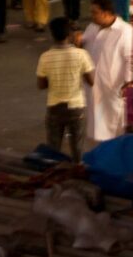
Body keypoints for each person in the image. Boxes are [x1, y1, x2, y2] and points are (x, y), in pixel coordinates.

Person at [36, 16, 95, 163]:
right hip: (76, 107)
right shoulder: (81, 55)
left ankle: (54, 175)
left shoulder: (45, 57)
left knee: (53, 149)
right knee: (77, 149)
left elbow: (41, 85)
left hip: (54, 107)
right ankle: (77, 172)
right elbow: (91, 81)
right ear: (70, 35)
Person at [77, 0, 133, 141]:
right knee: (96, 122)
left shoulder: (125, 31)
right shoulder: (92, 27)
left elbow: (130, 59)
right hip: (93, 84)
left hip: (114, 86)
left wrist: (128, 83)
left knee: (114, 124)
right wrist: (78, 40)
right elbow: (83, 42)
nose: (92, 16)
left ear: (106, 13)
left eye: (94, 12)